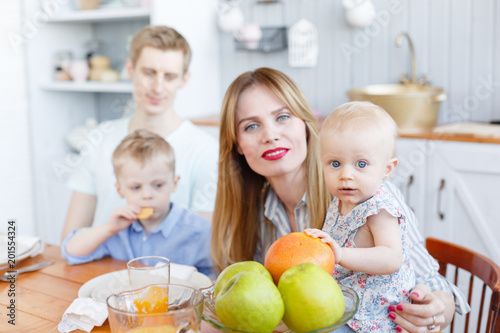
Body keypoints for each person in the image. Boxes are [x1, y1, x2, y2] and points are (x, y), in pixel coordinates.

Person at [210, 68, 469, 332]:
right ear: (237, 144)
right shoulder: (250, 209)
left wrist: (434, 312)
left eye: (283, 117)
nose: (269, 135)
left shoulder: (370, 198)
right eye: (251, 126)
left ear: (307, 125)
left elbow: (431, 281)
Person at [62, 25, 218, 241]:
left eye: (170, 76)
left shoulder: (205, 150)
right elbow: (70, 237)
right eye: (149, 73)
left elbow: (201, 243)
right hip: (99, 270)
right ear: (130, 69)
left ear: (184, 79)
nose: (157, 87)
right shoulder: (101, 138)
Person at [304, 101, 415, 332]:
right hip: (347, 301)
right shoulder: (341, 201)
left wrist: (341, 254)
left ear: (387, 170)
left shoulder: (379, 209)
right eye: (335, 163)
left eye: (361, 164)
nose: (346, 175)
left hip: (373, 316)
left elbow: (392, 257)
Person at [62, 130, 213, 277]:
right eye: (136, 187)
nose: (147, 195)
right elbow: (71, 252)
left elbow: (215, 279)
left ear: (174, 183)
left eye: (158, 185)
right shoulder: (118, 228)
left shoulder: (198, 229)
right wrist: (109, 229)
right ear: (119, 190)